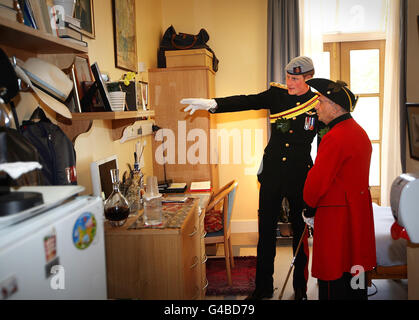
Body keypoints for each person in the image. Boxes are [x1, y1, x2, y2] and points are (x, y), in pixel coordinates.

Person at [181, 56, 320, 300]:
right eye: (288, 77)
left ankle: (300, 288)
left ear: (308, 78)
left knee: (300, 235)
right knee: (265, 233)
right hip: (273, 174)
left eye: (295, 79)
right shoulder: (277, 95)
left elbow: (327, 141)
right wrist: (212, 103)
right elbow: (247, 101)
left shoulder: (318, 103)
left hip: (301, 176)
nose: (289, 82)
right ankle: (263, 287)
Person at [302, 78, 376, 300]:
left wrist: (308, 208)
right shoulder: (359, 132)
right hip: (357, 215)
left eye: (321, 101)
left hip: (337, 219)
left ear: (335, 106)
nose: (316, 106)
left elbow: (316, 182)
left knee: (333, 278)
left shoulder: (334, 136)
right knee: (356, 272)